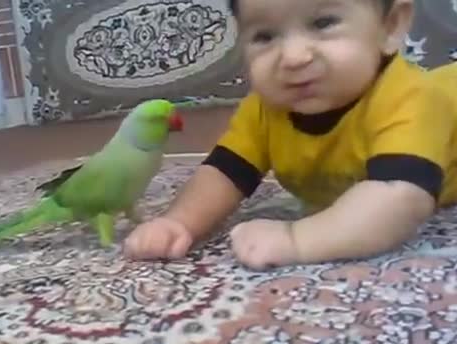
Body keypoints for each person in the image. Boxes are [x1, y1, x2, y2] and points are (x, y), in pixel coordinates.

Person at [122, 0, 457, 270]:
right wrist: (179, 222)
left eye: (323, 23)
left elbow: (398, 199)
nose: (293, 57)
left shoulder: (411, 98)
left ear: (391, 26)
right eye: (265, 37)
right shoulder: (265, 109)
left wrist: (298, 240)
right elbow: (224, 171)